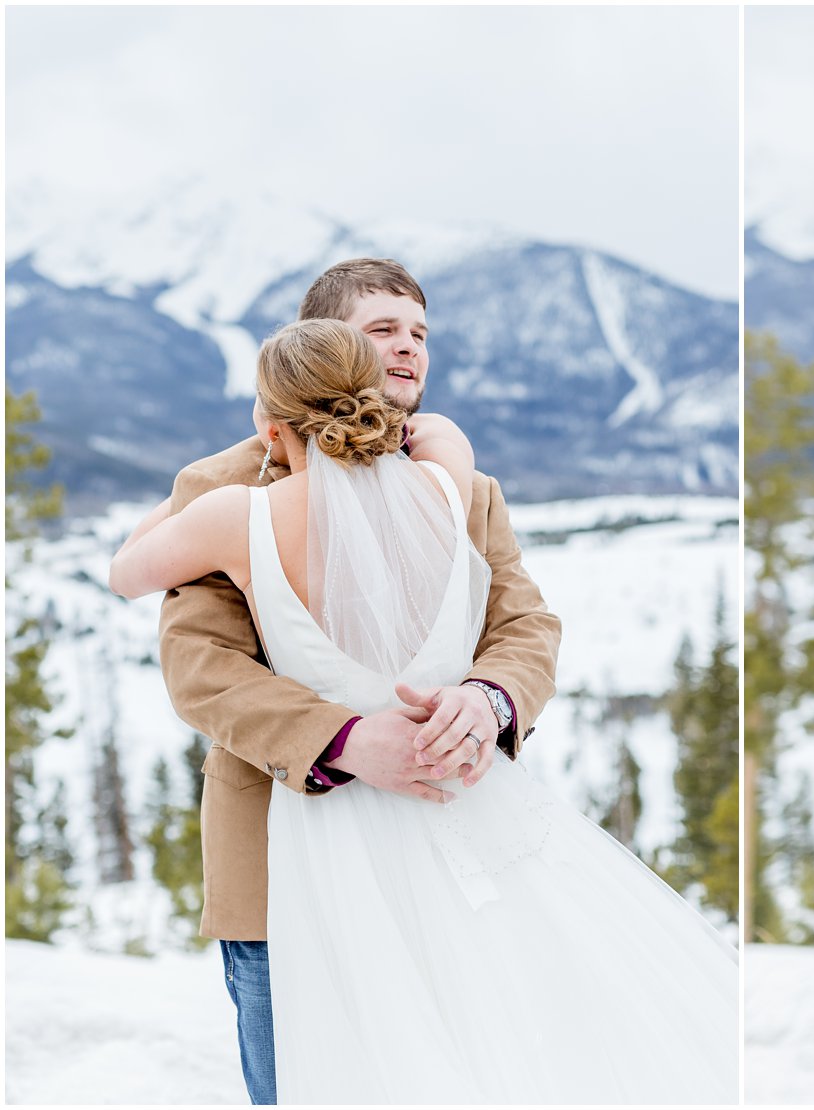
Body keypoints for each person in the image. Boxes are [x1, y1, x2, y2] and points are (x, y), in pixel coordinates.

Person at [116, 301, 735, 1103]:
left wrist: (488, 699)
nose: (406, 347)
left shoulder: (444, 488)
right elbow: (199, 669)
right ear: (343, 352)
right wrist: (341, 738)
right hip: (288, 855)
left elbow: (526, 625)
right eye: (381, 332)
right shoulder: (259, 485)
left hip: (471, 841)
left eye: (419, 333)